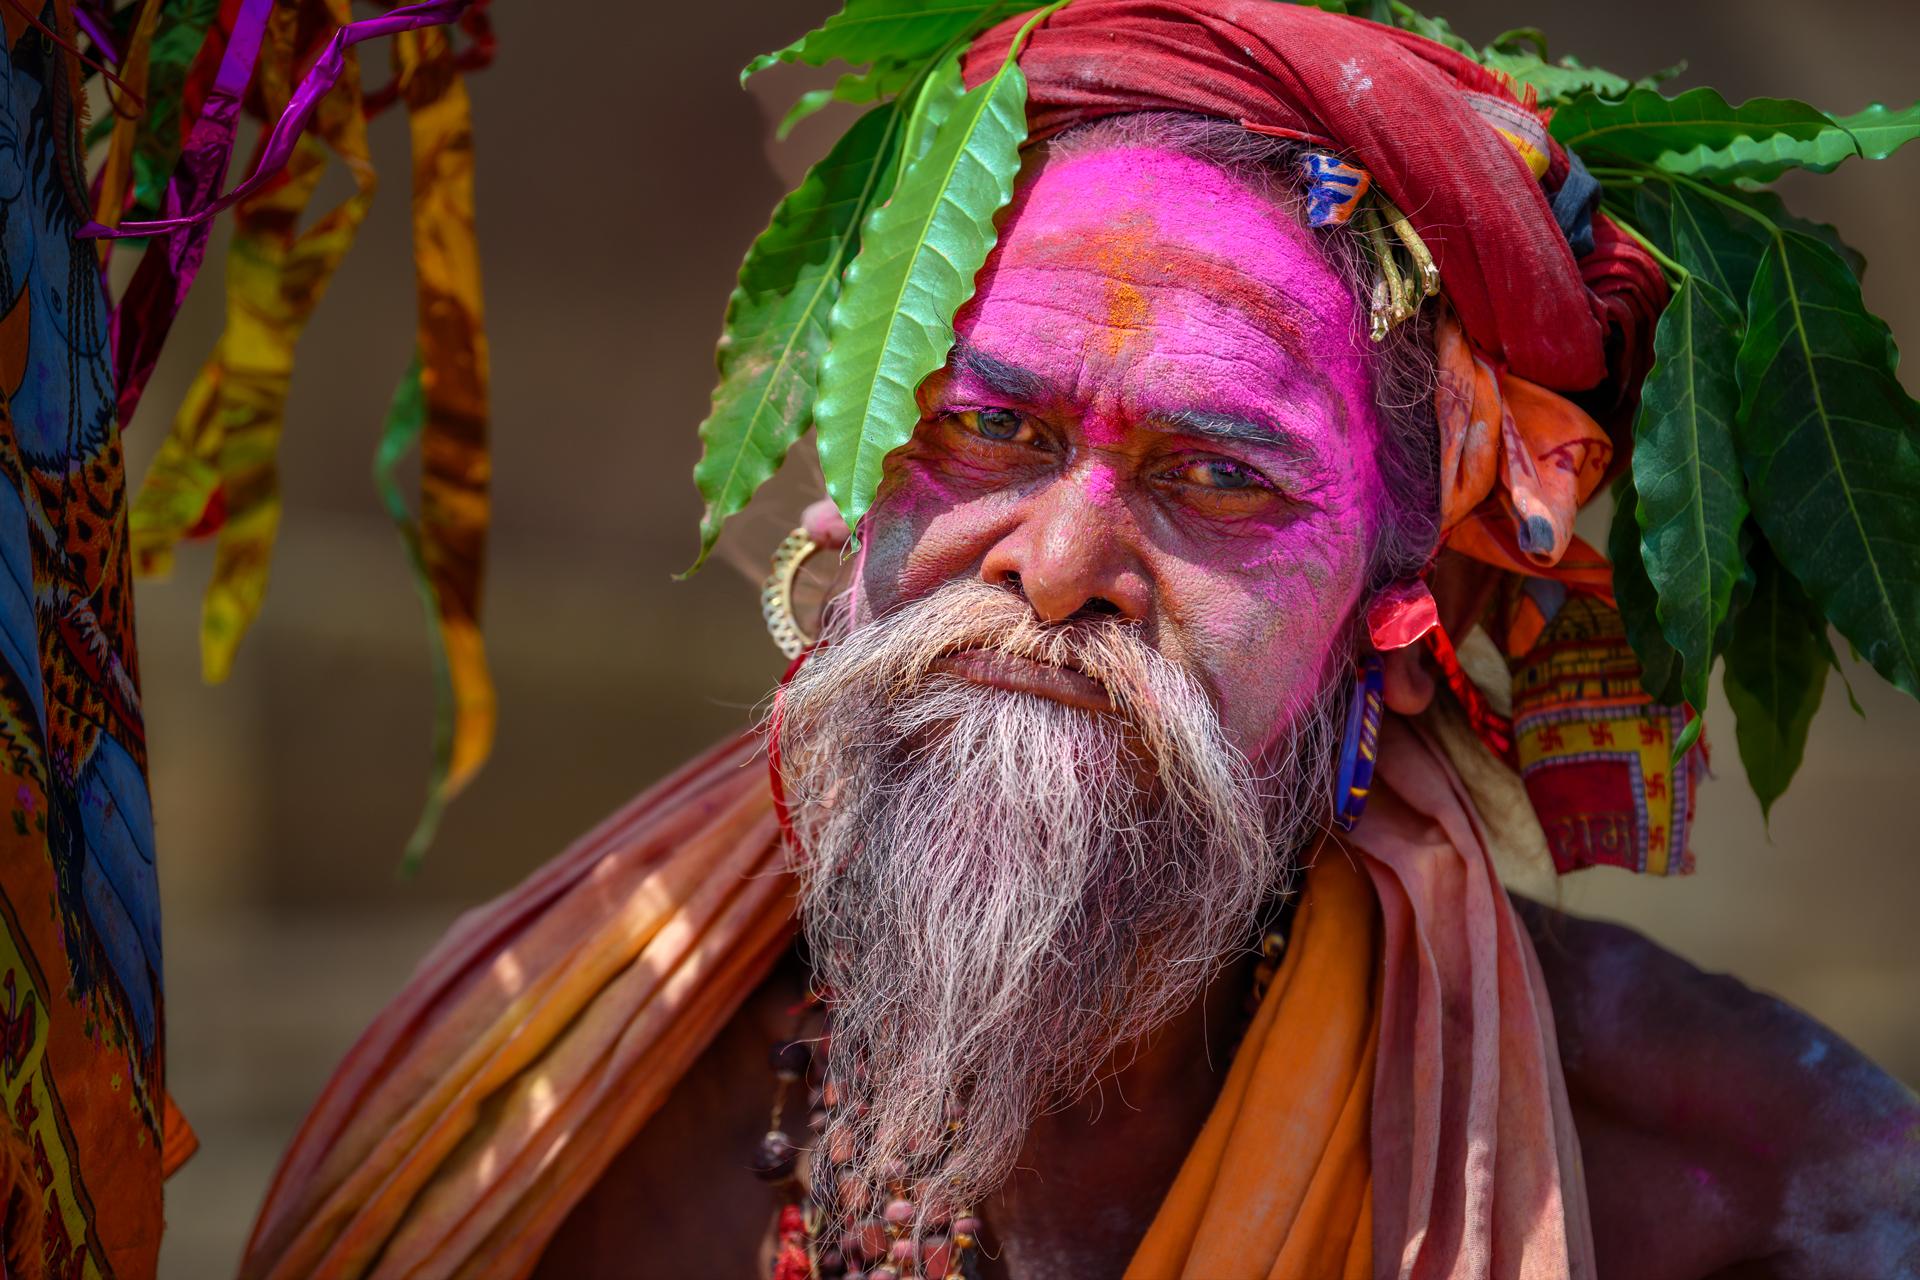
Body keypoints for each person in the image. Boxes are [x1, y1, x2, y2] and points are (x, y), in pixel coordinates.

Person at [235, 3, 1920, 1278]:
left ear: (1397, 619)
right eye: (984, 433)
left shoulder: (1736, 1186)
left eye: (1218, 478)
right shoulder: (531, 1104)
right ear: (842, 501)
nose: (1056, 567)